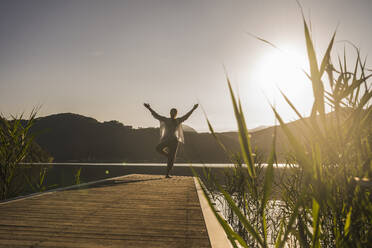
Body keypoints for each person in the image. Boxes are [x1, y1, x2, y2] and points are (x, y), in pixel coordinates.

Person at [144, 103, 198, 178]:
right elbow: (156, 115)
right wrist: (149, 108)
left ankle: (167, 173)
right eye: (171, 112)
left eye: (174, 113)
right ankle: (168, 155)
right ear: (170, 113)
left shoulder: (178, 120)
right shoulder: (166, 120)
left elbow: (186, 116)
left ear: (176, 114)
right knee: (158, 148)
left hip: (174, 141)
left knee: (171, 159)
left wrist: (193, 109)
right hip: (166, 139)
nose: (173, 114)